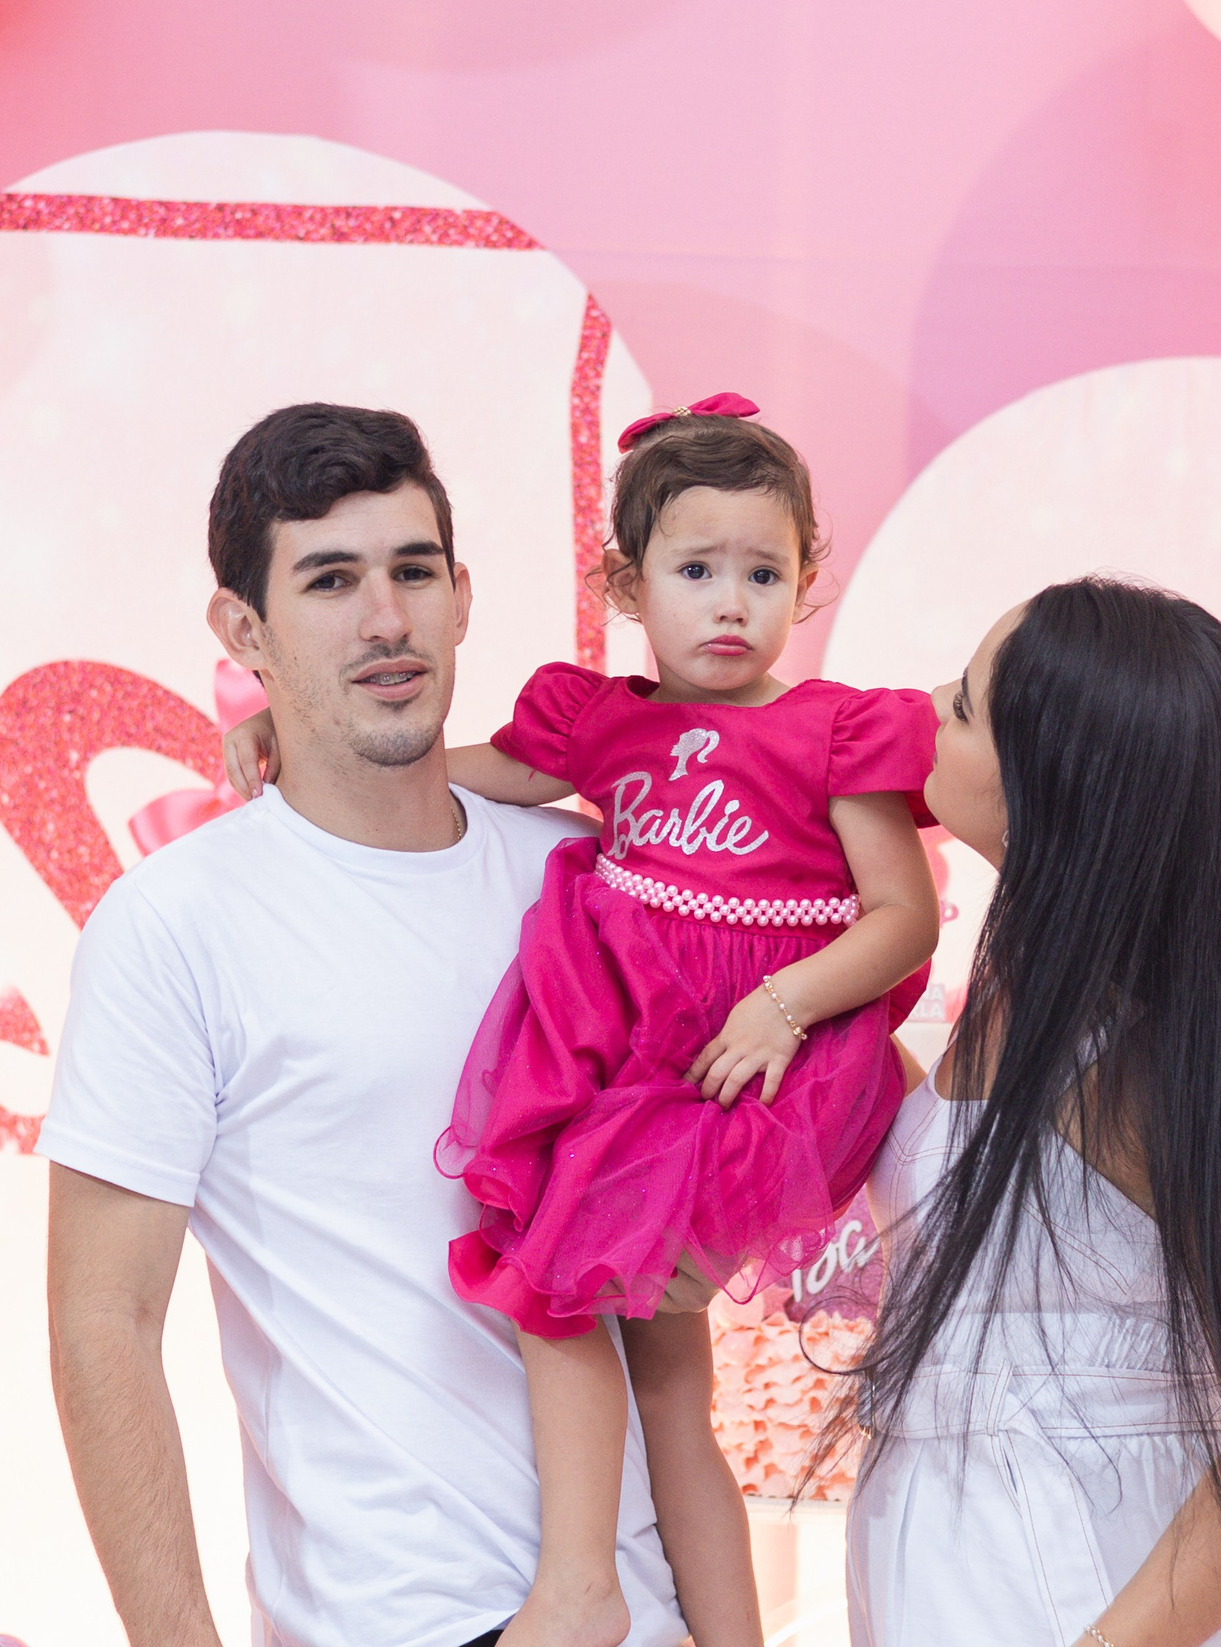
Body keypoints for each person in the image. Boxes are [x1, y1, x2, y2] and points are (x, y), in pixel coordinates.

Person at [224, 396, 942, 1647]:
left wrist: (785, 1003)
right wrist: (291, 732)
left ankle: (582, 1592)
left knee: (575, 1295)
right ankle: (619, 1592)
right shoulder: (603, 725)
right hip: (636, 1076)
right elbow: (449, 767)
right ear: (627, 581)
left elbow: (902, 920)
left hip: (756, 1075)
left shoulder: (829, 734)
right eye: (696, 570)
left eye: (763, 574)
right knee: (657, 1377)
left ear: (806, 578)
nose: (730, 603)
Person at [39, 403, 687, 1647]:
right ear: (245, 630)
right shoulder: (179, 924)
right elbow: (101, 1322)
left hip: (635, 1612)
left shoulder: (587, 872)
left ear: (460, 594)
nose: (386, 620)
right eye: (330, 581)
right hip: (391, 1619)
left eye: (413, 571)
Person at [838, 578, 1221, 1647]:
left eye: (966, 703)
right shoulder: (1016, 997)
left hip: (1094, 1604)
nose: (927, 704)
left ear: (1054, 785)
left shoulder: (1190, 1045)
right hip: (941, 1583)